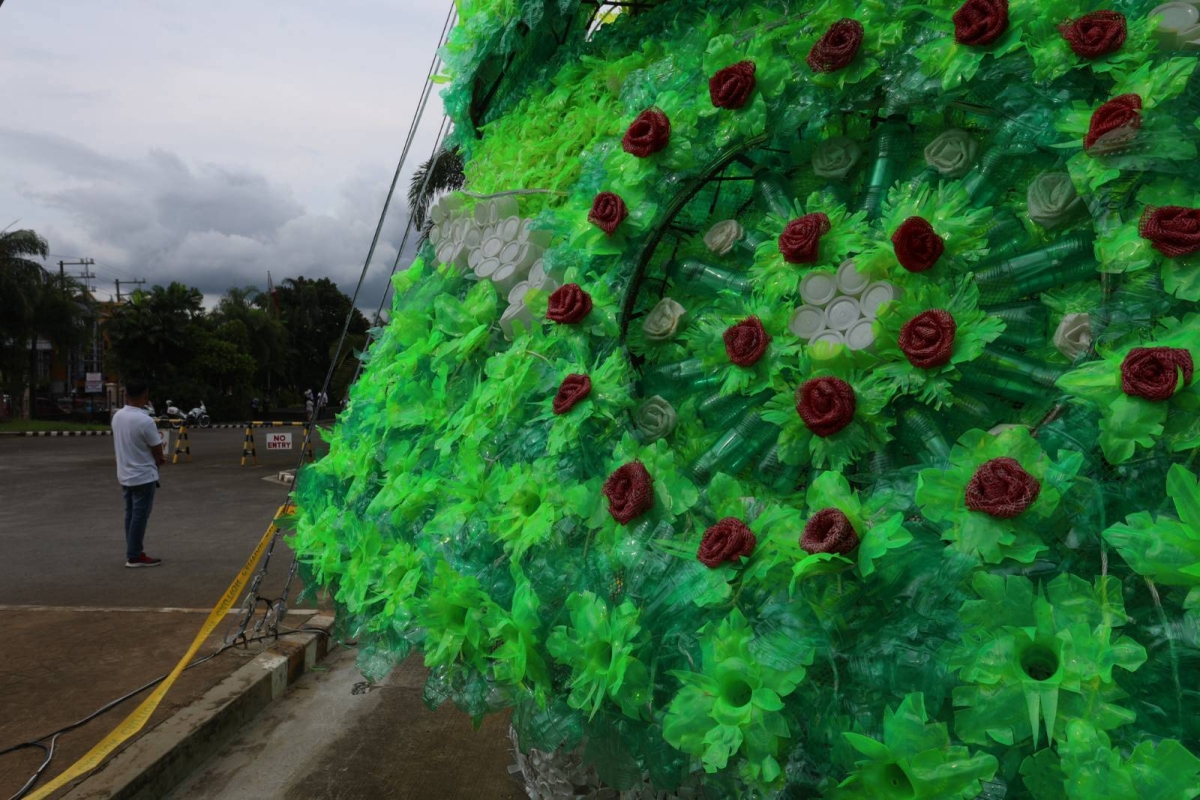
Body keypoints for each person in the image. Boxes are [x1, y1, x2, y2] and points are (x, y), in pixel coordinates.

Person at [112, 378, 166, 568]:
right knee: (140, 516)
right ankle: (134, 555)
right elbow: (158, 450)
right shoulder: (145, 420)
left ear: (126, 395)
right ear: (145, 396)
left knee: (130, 514)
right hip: (143, 476)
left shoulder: (117, 417)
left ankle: (133, 551)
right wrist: (159, 460)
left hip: (125, 474)